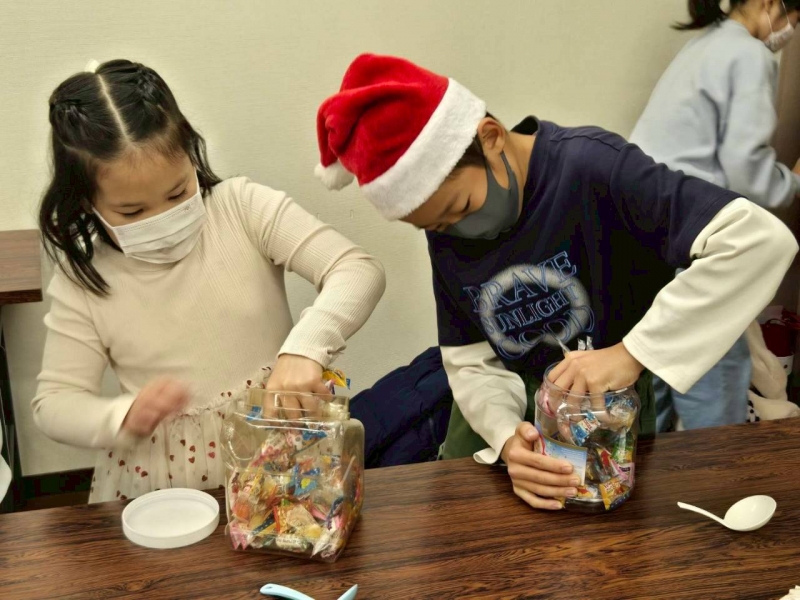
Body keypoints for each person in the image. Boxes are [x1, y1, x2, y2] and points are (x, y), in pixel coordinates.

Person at [313, 53, 797, 510]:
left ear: (491, 137)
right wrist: (508, 439)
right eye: (436, 226)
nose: (458, 233)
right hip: (502, 425)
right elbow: (470, 358)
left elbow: (758, 241)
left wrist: (630, 354)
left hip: (608, 410)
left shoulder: (592, 168)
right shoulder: (447, 230)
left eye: (461, 208)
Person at [32, 59, 385, 503]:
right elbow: (54, 403)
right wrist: (121, 416)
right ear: (86, 202)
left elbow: (358, 269)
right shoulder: (84, 276)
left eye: (178, 192)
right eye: (132, 211)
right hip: (161, 483)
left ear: (191, 154)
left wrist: (306, 346)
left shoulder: (242, 208)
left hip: (276, 454)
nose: (162, 218)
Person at [630, 0, 800, 432]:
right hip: (692, 234)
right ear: (769, 4)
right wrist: (793, 182)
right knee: (717, 388)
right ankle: (720, 474)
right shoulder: (749, 54)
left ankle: (659, 474)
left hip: (644, 233)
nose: (789, 33)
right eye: (794, 21)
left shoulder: (704, 45)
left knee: (662, 377)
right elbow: (747, 171)